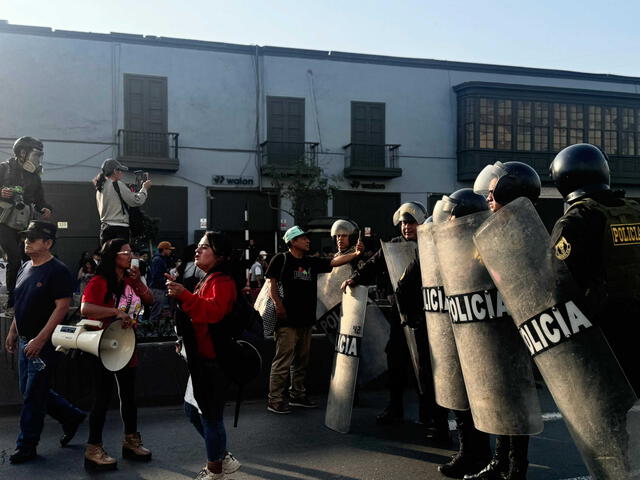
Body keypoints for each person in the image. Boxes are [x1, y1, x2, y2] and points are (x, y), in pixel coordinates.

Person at [341, 202, 446, 436]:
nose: (406, 227)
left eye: (411, 222)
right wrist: (355, 278)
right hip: (400, 312)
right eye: (403, 223)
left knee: (426, 365)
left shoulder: (431, 244)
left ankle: (428, 414)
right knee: (395, 358)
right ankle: (395, 408)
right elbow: (374, 263)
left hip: (426, 314)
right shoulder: (394, 245)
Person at [549, 143, 640, 395]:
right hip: (635, 328)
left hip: (602, 336)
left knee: (605, 416)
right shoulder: (634, 211)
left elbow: (558, 286)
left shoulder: (576, 221)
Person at [470, 163, 542, 480]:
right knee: (500, 396)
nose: (487, 199)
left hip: (515, 328)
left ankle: (516, 467)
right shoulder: (493, 228)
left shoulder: (524, 230)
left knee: (516, 399)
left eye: (492, 193)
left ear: (508, 192)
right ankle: (500, 461)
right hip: (493, 326)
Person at [3, 220, 86, 464]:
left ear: (48, 243)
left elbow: (62, 308)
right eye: (26, 237)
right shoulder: (25, 266)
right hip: (24, 341)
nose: (27, 241)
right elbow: (21, 303)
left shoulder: (58, 270)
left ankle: (26, 445)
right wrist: (12, 331)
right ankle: (71, 416)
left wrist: (41, 339)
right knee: (30, 391)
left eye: (33, 238)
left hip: (44, 344)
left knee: (32, 396)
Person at [166, 231, 242, 480]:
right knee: (192, 411)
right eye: (198, 247)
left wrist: (184, 295)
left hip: (213, 362)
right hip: (200, 358)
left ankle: (215, 469)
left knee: (210, 417)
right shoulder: (207, 278)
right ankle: (222, 456)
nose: (197, 251)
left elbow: (213, 313)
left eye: (204, 247)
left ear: (219, 254)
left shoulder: (223, 282)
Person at [266, 225, 363, 414]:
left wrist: (356, 254)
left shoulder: (311, 262)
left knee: (301, 361)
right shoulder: (281, 259)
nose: (307, 241)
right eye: (303, 238)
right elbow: (272, 284)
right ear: (293, 242)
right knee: (283, 361)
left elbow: (335, 262)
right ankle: (275, 400)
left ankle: (297, 396)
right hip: (287, 320)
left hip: (306, 320)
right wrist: (278, 305)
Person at [80, 238, 154, 471]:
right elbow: (86, 308)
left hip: (124, 344)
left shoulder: (130, 281)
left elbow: (149, 300)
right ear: (113, 256)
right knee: (101, 398)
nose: (130, 256)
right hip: (101, 344)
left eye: (131, 252)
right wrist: (114, 312)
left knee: (129, 396)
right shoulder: (100, 281)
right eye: (125, 252)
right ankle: (93, 448)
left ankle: (131, 441)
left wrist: (138, 281)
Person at [0, 136, 52, 310]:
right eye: (35, 155)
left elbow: (40, 199)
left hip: (25, 222)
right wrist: (2, 193)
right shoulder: (4, 168)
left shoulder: (35, 177)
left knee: (29, 256)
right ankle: (12, 297)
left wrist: (45, 208)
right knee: (14, 258)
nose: (37, 159)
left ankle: (28, 291)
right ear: (23, 153)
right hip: (3, 221)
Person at [93, 158, 151, 245]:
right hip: (119, 228)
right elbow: (136, 201)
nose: (122, 173)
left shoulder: (100, 188)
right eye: (120, 170)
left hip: (105, 228)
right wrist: (144, 189)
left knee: (108, 256)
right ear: (115, 171)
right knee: (122, 256)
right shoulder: (117, 184)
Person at [148, 240, 175, 323]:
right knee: (156, 313)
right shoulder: (158, 260)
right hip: (157, 289)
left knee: (158, 313)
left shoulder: (160, 259)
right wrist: (167, 281)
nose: (170, 251)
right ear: (164, 249)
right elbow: (156, 276)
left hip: (158, 288)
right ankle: (152, 332)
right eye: (169, 249)